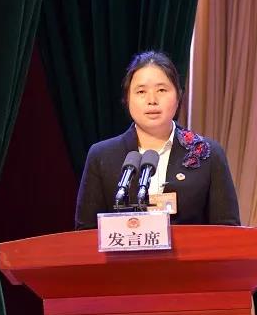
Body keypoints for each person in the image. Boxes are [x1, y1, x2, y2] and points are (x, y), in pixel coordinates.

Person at [74, 50, 240, 229]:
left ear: (178, 95)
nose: (152, 100)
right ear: (127, 99)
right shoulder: (102, 156)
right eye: (141, 91)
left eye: (161, 90)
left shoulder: (208, 153)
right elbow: (85, 232)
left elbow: (228, 230)